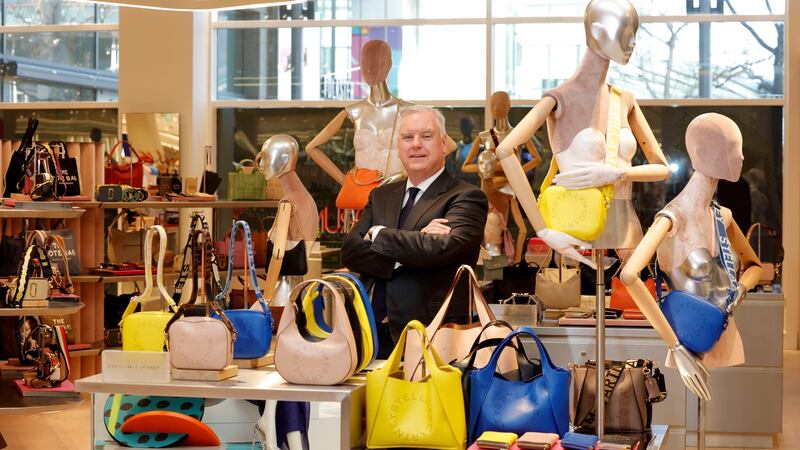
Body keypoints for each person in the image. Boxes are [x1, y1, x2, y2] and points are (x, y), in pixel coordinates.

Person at [341, 105, 488, 354]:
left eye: (426, 136)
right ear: (399, 147)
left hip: (433, 335)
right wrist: (417, 241)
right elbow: (351, 252)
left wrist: (377, 234)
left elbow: (440, 249)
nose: (416, 144)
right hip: (370, 334)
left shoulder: (466, 197)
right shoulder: (381, 195)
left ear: (443, 144)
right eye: (407, 137)